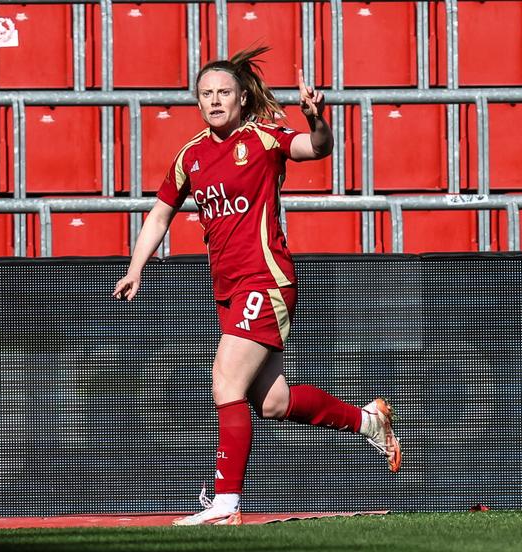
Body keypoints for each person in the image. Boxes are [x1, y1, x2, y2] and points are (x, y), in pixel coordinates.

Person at [112, 46, 401, 526]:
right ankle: (368, 421)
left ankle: (225, 502)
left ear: (243, 98)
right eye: (206, 94)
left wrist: (317, 121)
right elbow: (161, 212)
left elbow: (317, 148)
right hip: (229, 288)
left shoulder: (264, 137)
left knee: (224, 378)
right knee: (272, 401)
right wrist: (137, 265)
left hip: (265, 279)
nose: (215, 100)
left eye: (224, 91)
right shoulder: (191, 155)